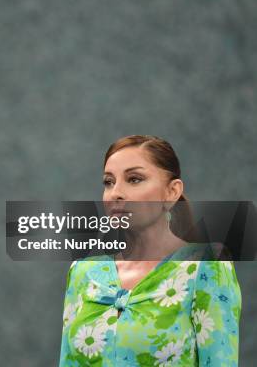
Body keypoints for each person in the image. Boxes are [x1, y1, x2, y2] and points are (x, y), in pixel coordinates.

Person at [59, 135, 241, 366]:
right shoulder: (82, 272)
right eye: (108, 182)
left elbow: (219, 360)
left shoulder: (205, 266)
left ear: (172, 192)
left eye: (134, 179)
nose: (116, 193)